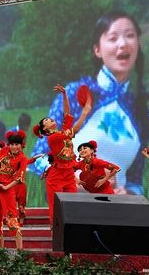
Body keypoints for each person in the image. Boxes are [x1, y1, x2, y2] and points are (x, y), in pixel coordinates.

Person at [31, 11, 149, 195]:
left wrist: (128, 193)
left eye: (130, 36)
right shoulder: (76, 94)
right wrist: (69, 176)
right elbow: (39, 156)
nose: (123, 43)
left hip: (117, 215)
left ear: (138, 44)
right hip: (73, 212)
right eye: (113, 38)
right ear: (97, 49)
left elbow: (135, 179)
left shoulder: (139, 109)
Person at [33, 85, 92, 226]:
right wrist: (85, 111)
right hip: (56, 177)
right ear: (45, 129)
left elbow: (67, 114)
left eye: (50, 118)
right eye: (46, 120)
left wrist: (64, 94)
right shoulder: (53, 138)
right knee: (57, 209)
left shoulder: (61, 132)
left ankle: (68, 237)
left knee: (70, 205)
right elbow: (75, 129)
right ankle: (55, 236)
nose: (50, 119)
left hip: (68, 175)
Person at [0, 130, 27, 250]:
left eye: (17, 144)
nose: (14, 147)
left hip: (7, 190)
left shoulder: (22, 158)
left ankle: (20, 251)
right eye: (12, 144)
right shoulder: (4, 150)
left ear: (21, 145)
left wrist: (6, 187)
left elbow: (19, 178)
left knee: (11, 219)